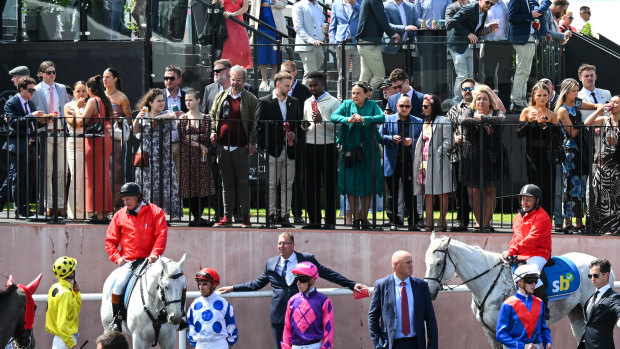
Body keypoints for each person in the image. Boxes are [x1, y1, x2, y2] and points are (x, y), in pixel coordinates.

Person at [218, 232, 365, 349]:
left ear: (293, 245)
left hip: (301, 316)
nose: (281, 246)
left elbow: (326, 273)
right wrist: (233, 288)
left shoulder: (306, 259)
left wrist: (351, 284)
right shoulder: (271, 264)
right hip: (279, 315)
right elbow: (257, 284)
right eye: (279, 243)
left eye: (284, 243)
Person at [105, 182, 168, 331]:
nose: (125, 202)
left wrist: (155, 254)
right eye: (124, 199)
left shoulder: (156, 212)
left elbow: (161, 235)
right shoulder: (119, 215)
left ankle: (180, 316)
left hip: (153, 259)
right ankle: (117, 320)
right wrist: (117, 258)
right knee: (118, 286)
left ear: (138, 197)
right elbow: (110, 241)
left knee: (175, 278)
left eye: (128, 199)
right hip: (130, 261)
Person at [332, 82, 385, 230]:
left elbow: (381, 117)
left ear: (366, 93)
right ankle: (356, 218)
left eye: (358, 93)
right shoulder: (347, 104)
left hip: (369, 151)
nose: (355, 96)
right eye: (353, 93)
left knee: (368, 184)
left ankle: (364, 217)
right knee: (351, 184)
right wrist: (347, 119)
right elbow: (334, 116)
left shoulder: (372, 104)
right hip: (350, 151)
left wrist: (364, 119)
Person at [210, 65, 257, 228]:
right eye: (233, 79)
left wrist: (251, 142)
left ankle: (245, 216)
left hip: (241, 147)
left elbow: (254, 123)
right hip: (223, 146)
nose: (235, 83)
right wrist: (212, 132)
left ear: (244, 80)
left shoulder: (250, 98)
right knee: (226, 183)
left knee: (243, 182)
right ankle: (227, 216)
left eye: (238, 80)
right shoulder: (221, 96)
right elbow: (213, 116)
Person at [255, 71, 303, 227]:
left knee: (287, 184)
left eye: (290, 85)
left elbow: (297, 124)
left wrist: (294, 135)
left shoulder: (294, 102)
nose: (289, 88)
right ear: (277, 84)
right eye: (287, 85)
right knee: (271, 184)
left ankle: (284, 216)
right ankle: (270, 215)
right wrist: (264, 147)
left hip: (290, 150)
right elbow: (258, 127)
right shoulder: (265, 101)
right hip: (272, 150)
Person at [368, 250, 438, 349]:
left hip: (416, 343)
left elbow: (430, 318)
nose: (411, 265)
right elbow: (372, 317)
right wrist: (379, 344)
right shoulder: (382, 285)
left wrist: (433, 345)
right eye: (407, 263)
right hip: (391, 344)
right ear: (396, 265)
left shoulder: (421, 286)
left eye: (411, 262)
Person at [459, 85, 505, 232]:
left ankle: (486, 224)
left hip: (492, 156)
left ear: (489, 100)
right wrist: (484, 122)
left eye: (484, 99)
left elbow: (502, 120)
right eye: (478, 99)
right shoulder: (469, 111)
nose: (481, 102)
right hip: (472, 155)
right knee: (473, 192)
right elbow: (465, 121)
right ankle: (480, 223)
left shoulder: (496, 112)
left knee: (489, 190)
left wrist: (482, 117)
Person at [554, 78, 597, 233]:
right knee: (569, 187)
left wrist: (602, 107)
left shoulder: (577, 103)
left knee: (580, 185)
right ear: (566, 92)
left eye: (577, 90)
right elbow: (571, 132)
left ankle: (579, 221)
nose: (576, 93)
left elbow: (593, 106)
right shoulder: (562, 110)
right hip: (569, 151)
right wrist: (586, 124)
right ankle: (567, 221)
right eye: (573, 91)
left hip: (580, 149)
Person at [133, 88, 181, 220]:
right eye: (158, 101)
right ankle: (147, 213)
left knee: (166, 184)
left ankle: (167, 213)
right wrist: (138, 117)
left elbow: (173, 115)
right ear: (150, 103)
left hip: (163, 155)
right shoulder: (144, 116)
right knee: (147, 184)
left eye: (163, 101)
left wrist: (158, 118)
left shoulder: (166, 114)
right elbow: (134, 130)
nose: (162, 103)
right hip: (147, 155)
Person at [502, 184, 552, 309]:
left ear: (537, 201)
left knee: (530, 274)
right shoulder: (519, 217)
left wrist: (512, 251)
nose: (525, 203)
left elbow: (532, 240)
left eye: (528, 199)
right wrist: (510, 251)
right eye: (523, 199)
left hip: (539, 253)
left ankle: (543, 309)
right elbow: (517, 237)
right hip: (522, 253)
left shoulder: (543, 217)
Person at [302, 71, 341, 230]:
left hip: (328, 146)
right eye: (310, 85)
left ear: (323, 84)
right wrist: (303, 126)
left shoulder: (334, 102)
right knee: (311, 185)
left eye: (315, 85)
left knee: (330, 185)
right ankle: (314, 220)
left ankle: (330, 221)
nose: (312, 88)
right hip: (310, 145)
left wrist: (322, 121)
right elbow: (305, 122)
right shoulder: (306, 102)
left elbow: (338, 126)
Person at [0, 76, 43, 218]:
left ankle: (24, 207)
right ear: (22, 89)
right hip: (18, 145)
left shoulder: (30, 104)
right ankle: (20, 209)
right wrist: (32, 116)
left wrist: (42, 121)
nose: (32, 93)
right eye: (30, 90)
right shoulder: (11, 103)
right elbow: (13, 123)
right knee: (18, 178)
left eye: (34, 90)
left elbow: (32, 125)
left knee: (27, 178)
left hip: (31, 144)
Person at [516, 82, 560, 219]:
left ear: (549, 97)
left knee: (548, 187)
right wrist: (529, 122)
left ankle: (546, 217)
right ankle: (531, 215)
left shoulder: (552, 114)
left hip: (547, 156)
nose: (542, 98)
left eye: (545, 95)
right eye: (539, 95)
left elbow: (557, 138)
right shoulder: (527, 111)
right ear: (534, 96)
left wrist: (545, 126)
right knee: (532, 185)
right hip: (531, 155)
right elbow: (519, 133)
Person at [31, 60, 68, 217]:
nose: (52, 75)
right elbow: (31, 111)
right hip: (44, 132)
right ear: (41, 74)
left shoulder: (61, 88)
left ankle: (59, 205)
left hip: (60, 131)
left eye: (53, 72)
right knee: (47, 171)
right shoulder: (36, 90)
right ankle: (48, 205)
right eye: (48, 72)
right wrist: (42, 119)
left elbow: (64, 109)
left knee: (61, 171)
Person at [74, 75, 114, 221]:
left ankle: (98, 213)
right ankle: (104, 212)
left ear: (90, 89)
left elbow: (80, 122)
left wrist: (78, 109)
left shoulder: (92, 100)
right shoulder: (105, 100)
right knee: (102, 176)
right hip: (104, 140)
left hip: (95, 141)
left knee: (92, 177)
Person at [380, 96, 422, 231]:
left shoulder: (418, 121)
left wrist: (413, 141)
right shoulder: (387, 119)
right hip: (392, 162)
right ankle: (393, 221)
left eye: (407, 106)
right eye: (401, 106)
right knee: (391, 194)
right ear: (396, 106)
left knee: (411, 194)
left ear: (411, 107)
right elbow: (379, 137)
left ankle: (413, 222)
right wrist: (390, 138)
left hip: (410, 162)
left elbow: (424, 139)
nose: (404, 109)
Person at [413, 94, 453, 232]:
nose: (423, 109)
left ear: (433, 106)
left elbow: (449, 140)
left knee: (442, 192)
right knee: (427, 193)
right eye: (422, 106)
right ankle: (429, 222)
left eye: (426, 106)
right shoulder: (426, 121)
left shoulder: (443, 120)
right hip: (424, 162)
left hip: (438, 161)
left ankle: (442, 221)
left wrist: (439, 151)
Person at [446, 0, 497, 105]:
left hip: (469, 45)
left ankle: (468, 102)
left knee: (471, 76)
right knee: (462, 75)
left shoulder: (484, 12)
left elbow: (476, 29)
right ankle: (456, 102)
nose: (489, 6)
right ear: (480, 0)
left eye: (492, 4)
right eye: (487, 2)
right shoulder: (470, 8)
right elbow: (453, 21)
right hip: (457, 44)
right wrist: (467, 34)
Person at [178, 90, 216, 227]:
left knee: (203, 186)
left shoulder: (206, 118)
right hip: (187, 157)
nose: (188, 102)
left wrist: (194, 139)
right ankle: (195, 217)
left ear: (198, 100)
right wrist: (199, 143)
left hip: (202, 158)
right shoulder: (183, 118)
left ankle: (200, 217)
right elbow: (182, 137)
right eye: (186, 100)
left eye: (190, 100)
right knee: (191, 187)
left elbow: (206, 135)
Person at [584, 97, 620, 235]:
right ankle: (605, 228)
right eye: (611, 101)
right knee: (601, 197)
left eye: (616, 102)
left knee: (615, 198)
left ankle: (616, 228)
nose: (612, 104)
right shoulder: (605, 120)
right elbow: (587, 123)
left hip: (617, 166)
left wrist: (617, 142)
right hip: (602, 165)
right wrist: (598, 110)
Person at [281, 60, 311, 224]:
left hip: (298, 143)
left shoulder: (304, 91)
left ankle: (297, 212)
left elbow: (305, 119)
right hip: (279, 143)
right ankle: (280, 212)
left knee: (297, 179)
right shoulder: (276, 91)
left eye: (287, 72)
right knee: (278, 180)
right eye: (281, 72)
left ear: (295, 73)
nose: (284, 75)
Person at [496, 264, 553, 349]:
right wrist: (522, 346)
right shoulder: (508, 305)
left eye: (535, 280)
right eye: (530, 280)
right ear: (519, 282)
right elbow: (500, 335)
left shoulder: (539, 302)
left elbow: (544, 328)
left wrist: (548, 342)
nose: (534, 284)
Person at [281, 262, 334, 349]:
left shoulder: (324, 301)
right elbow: (287, 328)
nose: (298, 283)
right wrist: (286, 347)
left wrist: (326, 347)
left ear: (312, 280)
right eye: (296, 279)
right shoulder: (292, 301)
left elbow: (328, 329)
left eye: (302, 279)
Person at [445, 78, 474, 231]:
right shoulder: (454, 110)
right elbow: (447, 129)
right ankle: (461, 221)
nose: (468, 91)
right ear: (461, 92)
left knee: (477, 190)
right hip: (458, 154)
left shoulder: (480, 107)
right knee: (460, 190)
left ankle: (482, 222)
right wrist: (454, 137)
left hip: (476, 154)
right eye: (465, 89)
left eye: (471, 88)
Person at [103, 67, 132, 209]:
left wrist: (119, 119)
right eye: (103, 77)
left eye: (108, 77)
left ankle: (117, 205)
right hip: (102, 137)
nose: (105, 80)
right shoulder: (99, 96)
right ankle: (103, 205)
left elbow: (129, 120)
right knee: (102, 172)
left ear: (115, 79)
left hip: (116, 140)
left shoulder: (121, 97)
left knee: (116, 172)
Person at [188, 268, 238, 348]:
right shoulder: (194, 305)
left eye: (204, 284)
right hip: (200, 345)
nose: (201, 287)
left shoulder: (224, 304)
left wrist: (229, 344)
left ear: (214, 284)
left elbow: (231, 326)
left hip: (219, 344)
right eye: (199, 284)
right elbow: (191, 328)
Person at [508, 0, 543, 113]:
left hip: (529, 38)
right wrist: (530, 15)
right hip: (522, 39)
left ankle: (521, 101)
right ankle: (516, 102)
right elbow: (512, 17)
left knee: (525, 72)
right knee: (522, 71)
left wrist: (532, 21)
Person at [355, 0, 399, 91]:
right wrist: (391, 33)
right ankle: (363, 99)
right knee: (379, 76)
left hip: (364, 43)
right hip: (370, 43)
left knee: (365, 76)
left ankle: (358, 101)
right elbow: (381, 18)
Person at [578, 258, 620, 349]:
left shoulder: (613, 298)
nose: (592, 279)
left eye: (596, 275)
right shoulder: (591, 297)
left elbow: (618, 307)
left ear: (607, 275)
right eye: (590, 276)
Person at [480, 0, 513, 108]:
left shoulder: (506, 4)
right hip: (490, 45)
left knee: (505, 77)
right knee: (488, 76)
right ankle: (489, 105)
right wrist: (489, 28)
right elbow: (477, 28)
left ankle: (505, 105)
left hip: (505, 44)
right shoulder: (484, 4)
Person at [46, 256, 81, 349]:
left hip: (59, 339)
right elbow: (61, 324)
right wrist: (72, 345)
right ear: (72, 273)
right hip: (65, 341)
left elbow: (74, 311)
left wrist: (76, 293)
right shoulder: (66, 294)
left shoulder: (54, 287)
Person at [328, 0, 361, 101]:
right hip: (341, 43)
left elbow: (366, 18)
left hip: (357, 43)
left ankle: (356, 99)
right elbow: (332, 26)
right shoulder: (336, 5)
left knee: (357, 75)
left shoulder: (360, 3)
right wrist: (334, 41)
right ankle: (341, 100)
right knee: (343, 75)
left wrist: (355, 4)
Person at [64, 81, 87, 220]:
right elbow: (74, 123)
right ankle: (76, 213)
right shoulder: (69, 106)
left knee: (88, 179)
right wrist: (78, 109)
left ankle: (89, 211)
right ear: (73, 93)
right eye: (78, 91)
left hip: (90, 145)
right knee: (76, 178)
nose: (81, 94)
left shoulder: (91, 104)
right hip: (74, 144)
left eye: (84, 91)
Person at [251, 0, 284, 92]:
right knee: (263, 53)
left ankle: (273, 79)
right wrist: (252, 25)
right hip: (261, 26)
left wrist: (274, 2)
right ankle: (264, 80)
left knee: (276, 54)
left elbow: (284, 4)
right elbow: (253, 9)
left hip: (275, 25)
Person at [382, 0, 420, 75]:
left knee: (410, 74)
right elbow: (386, 24)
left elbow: (416, 20)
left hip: (409, 45)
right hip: (392, 46)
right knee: (394, 75)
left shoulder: (410, 6)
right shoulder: (385, 5)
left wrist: (424, 24)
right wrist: (404, 28)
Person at [163, 65, 186, 188]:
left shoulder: (187, 97)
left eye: (172, 78)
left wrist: (185, 115)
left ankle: (177, 205)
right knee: (163, 176)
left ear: (179, 80)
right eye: (166, 78)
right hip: (163, 142)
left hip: (181, 142)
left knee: (179, 178)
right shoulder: (158, 96)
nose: (168, 81)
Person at [292, 0, 326, 84]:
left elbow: (319, 25)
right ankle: (306, 96)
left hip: (320, 44)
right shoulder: (298, 6)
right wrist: (311, 40)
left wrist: (325, 30)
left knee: (313, 74)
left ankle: (306, 95)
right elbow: (298, 27)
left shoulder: (319, 7)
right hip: (306, 45)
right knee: (310, 74)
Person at [219, 0, 252, 69]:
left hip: (238, 20)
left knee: (244, 46)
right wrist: (219, 4)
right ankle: (226, 69)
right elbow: (214, 3)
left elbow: (245, 8)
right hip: (226, 21)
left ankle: (238, 70)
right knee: (229, 46)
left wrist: (233, 14)